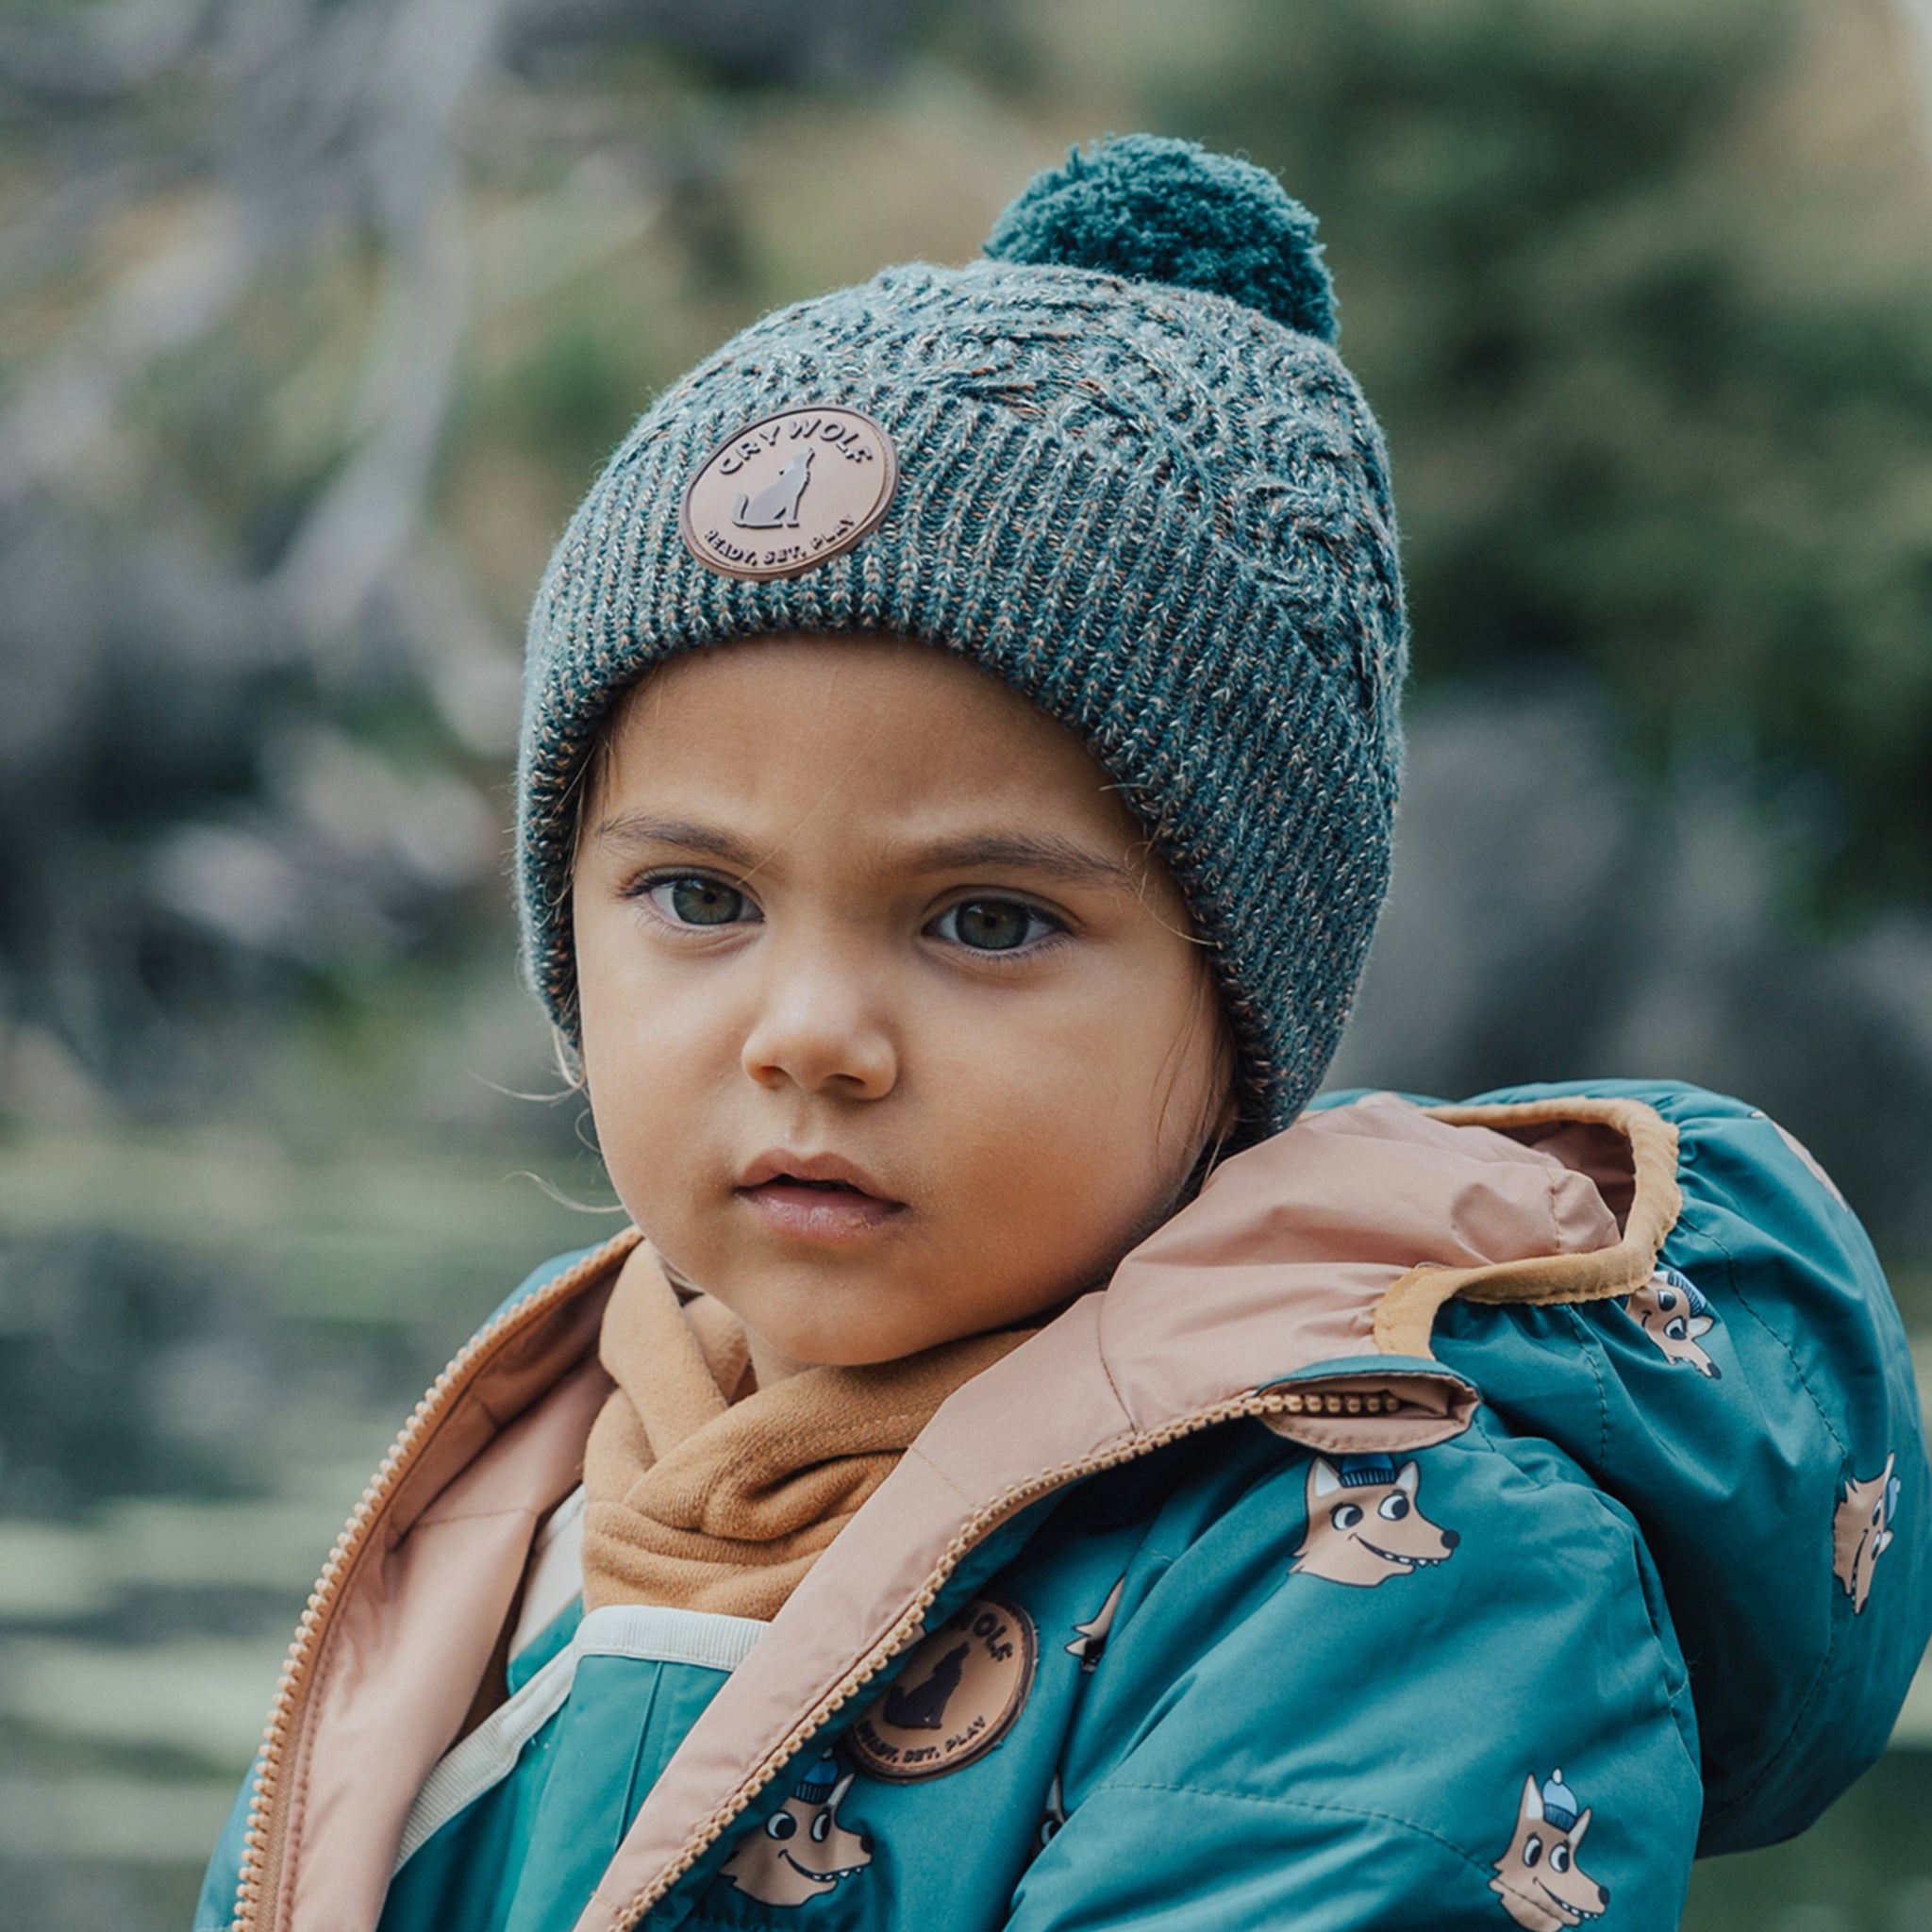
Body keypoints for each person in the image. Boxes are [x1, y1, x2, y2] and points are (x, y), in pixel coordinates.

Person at [194, 135, 1931, 1932]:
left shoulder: (1403, 1579)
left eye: (988, 921)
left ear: (1240, 1001)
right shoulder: (532, 1446)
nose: (811, 1036)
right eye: (700, 897)